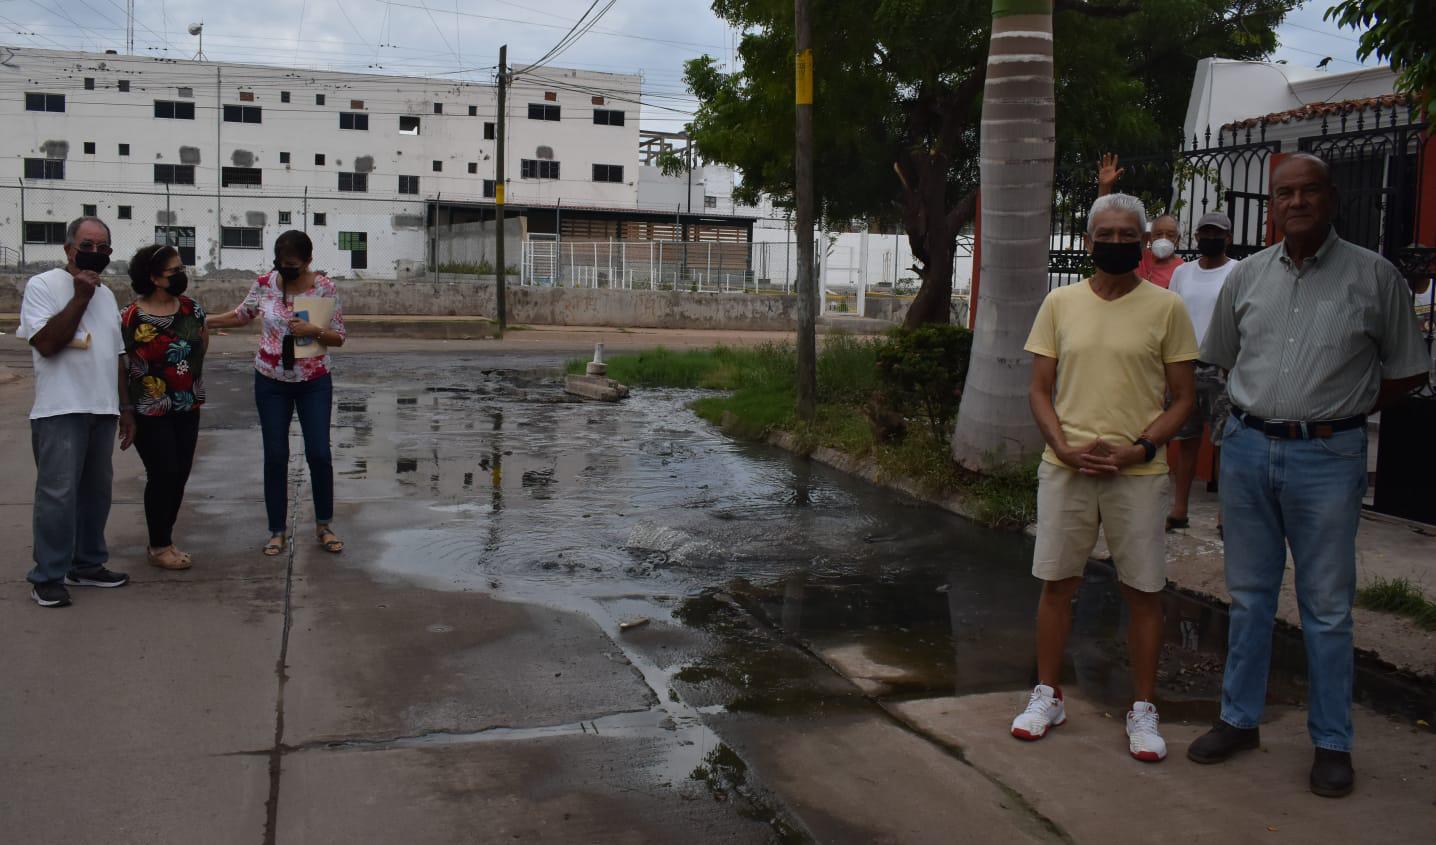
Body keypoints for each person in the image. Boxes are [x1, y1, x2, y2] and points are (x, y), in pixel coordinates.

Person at [1188, 153, 1431, 797]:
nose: (1296, 202)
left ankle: (1331, 742)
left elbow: (1409, 369)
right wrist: (1243, 421)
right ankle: (1239, 720)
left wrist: (1346, 409)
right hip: (1247, 452)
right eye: (1284, 193)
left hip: (1327, 458)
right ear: (1271, 205)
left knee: (1326, 607)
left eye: (1309, 191)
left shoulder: (1375, 276)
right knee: (1249, 596)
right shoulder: (1247, 276)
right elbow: (1219, 361)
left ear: (1332, 198)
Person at [1011, 193, 1198, 762]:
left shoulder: (1167, 307)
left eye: (1127, 235)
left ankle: (1143, 708)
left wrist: (1139, 449)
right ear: (1089, 241)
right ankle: (1048, 695)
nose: (1116, 242)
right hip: (1066, 470)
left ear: (1143, 242)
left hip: (1137, 474)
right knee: (1057, 585)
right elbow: (1039, 389)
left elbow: (1183, 398)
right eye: (1106, 234)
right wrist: (1062, 448)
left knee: (1142, 591)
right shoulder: (1059, 303)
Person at [206, 230, 347, 557]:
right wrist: (205, 320)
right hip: (271, 381)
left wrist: (314, 330)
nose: (286, 270)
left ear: (308, 261)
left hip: (313, 381)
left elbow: (339, 336)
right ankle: (277, 531)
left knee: (319, 454)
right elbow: (241, 315)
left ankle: (324, 525)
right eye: (281, 263)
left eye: (293, 265)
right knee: (275, 455)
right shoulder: (265, 283)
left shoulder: (324, 288)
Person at [16, 217, 133, 607]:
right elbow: (47, 343)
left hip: (103, 409)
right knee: (58, 495)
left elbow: (117, 355)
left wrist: (125, 409)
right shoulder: (43, 285)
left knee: (96, 495)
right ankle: (47, 575)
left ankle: (86, 564)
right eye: (87, 245)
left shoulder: (107, 295)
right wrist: (80, 296)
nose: (95, 253)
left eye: (103, 248)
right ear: (68, 249)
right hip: (60, 409)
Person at [122, 244, 208, 571]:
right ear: (155, 278)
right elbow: (121, 365)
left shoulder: (191, 309)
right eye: (175, 270)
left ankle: (164, 539)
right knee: (163, 473)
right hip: (150, 408)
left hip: (187, 405)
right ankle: (159, 545)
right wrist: (125, 409)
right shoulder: (131, 317)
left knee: (180, 474)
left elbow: (202, 343)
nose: (182, 274)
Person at [1165, 212, 1238, 533]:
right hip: (1184, 365)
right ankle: (1179, 509)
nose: (1210, 238)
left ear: (1228, 238)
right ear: (1196, 237)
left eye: (1217, 233)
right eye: (1205, 232)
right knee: (1186, 440)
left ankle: (1225, 516)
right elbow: (1170, 315)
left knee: (1225, 442)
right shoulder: (1182, 273)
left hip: (1222, 366)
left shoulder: (1238, 272)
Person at [1097, 153, 1183, 288]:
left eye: (1170, 235)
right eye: (1158, 234)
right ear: (1149, 237)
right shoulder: (1137, 258)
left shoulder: (1182, 270)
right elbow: (1105, 225)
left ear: (1177, 240)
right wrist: (1104, 188)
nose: (1164, 239)